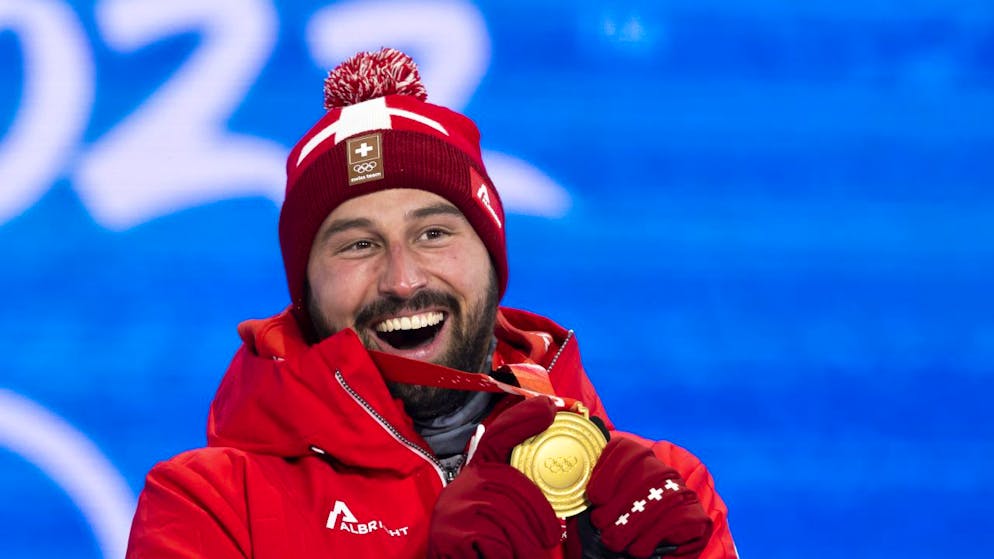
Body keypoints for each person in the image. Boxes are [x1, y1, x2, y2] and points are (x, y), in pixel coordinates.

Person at [126, 48, 738, 558]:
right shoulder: (211, 505)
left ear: (492, 262)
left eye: (434, 233)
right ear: (305, 293)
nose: (402, 279)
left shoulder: (656, 491)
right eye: (358, 244)